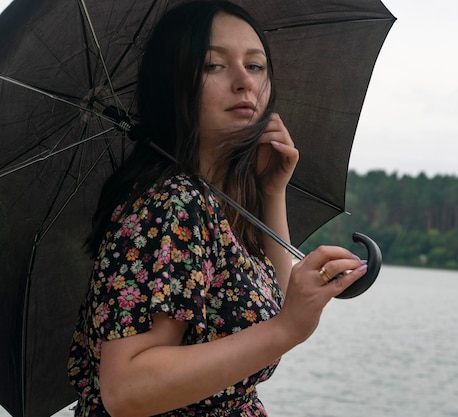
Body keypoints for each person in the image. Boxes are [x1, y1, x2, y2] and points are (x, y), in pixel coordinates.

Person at [66, 1, 367, 416]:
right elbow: (128, 387)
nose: (245, 82)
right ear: (173, 83)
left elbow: (271, 311)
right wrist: (286, 328)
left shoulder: (217, 202)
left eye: (256, 66)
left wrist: (271, 191)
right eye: (214, 65)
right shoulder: (173, 202)